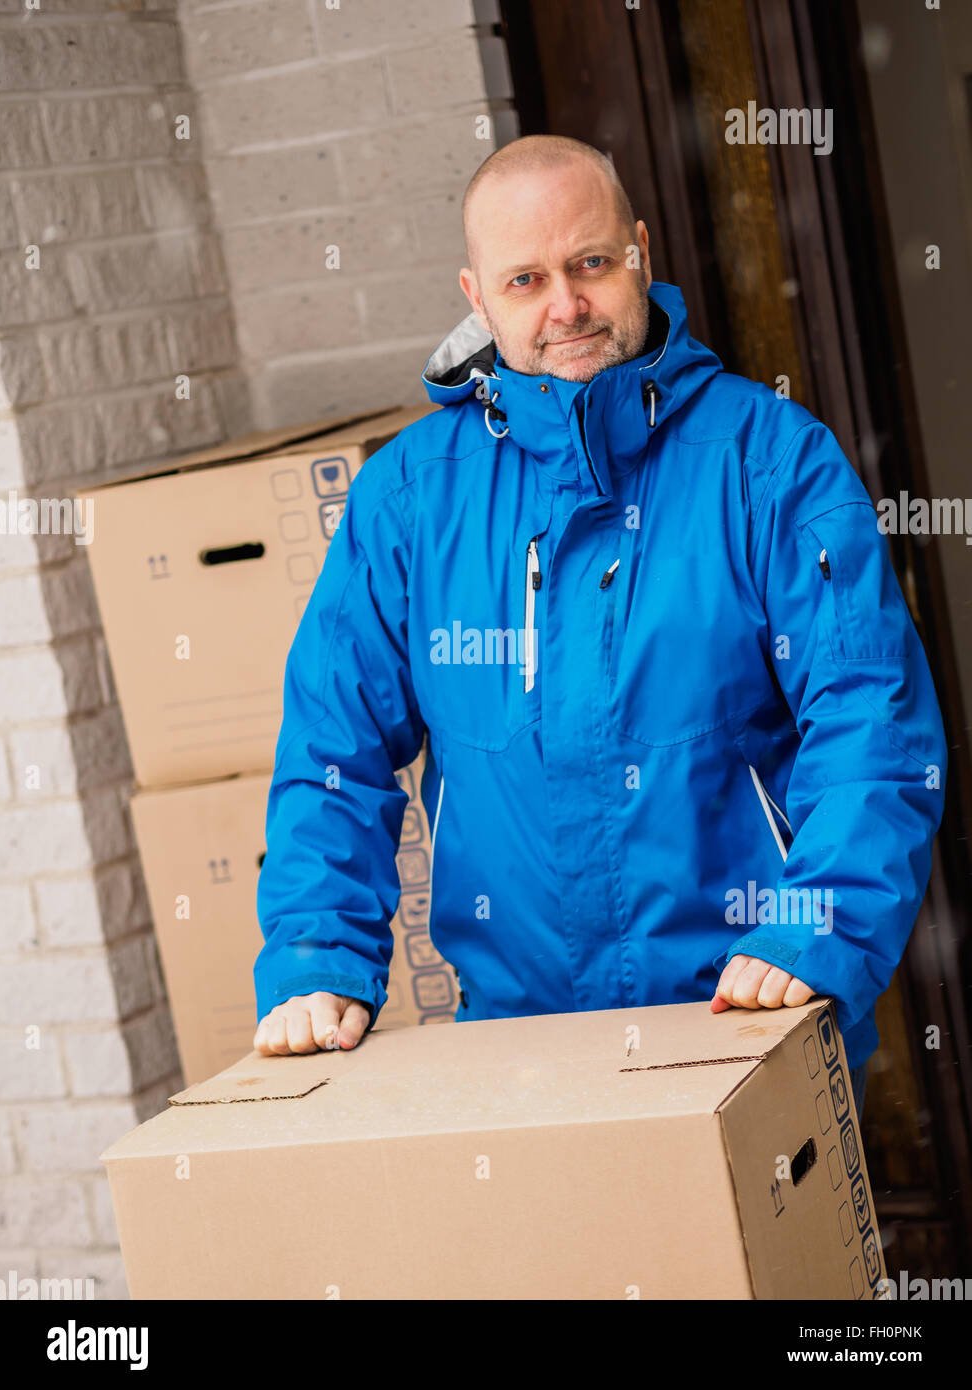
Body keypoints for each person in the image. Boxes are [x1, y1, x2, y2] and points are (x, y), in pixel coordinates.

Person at [252, 135, 946, 1127]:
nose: (565, 306)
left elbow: (871, 715)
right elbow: (333, 746)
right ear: (477, 297)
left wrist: (814, 927)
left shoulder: (769, 460)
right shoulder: (408, 498)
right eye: (526, 279)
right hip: (521, 1056)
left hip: (750, 1023)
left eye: (590, 263)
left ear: (642, 255)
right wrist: (319, 954)